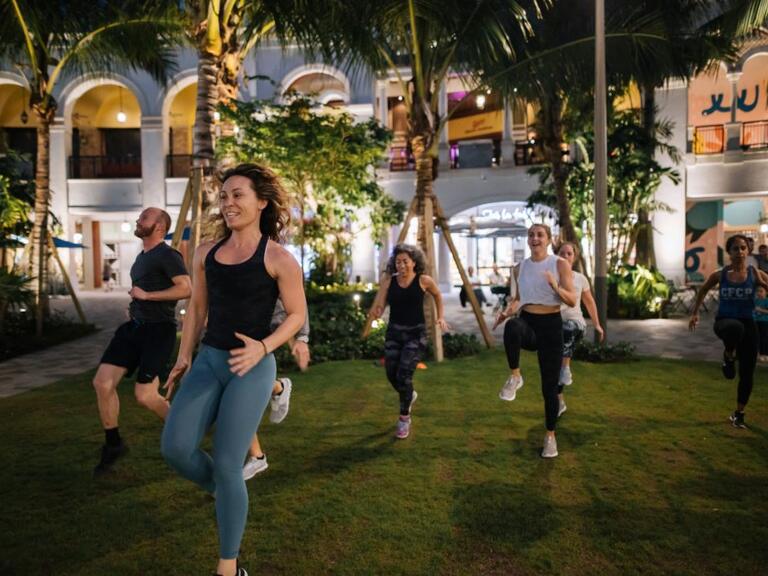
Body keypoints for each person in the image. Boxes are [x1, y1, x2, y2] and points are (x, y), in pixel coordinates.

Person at [161, 163, 306, 576]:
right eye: (224, 196)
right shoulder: (207, 253)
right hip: (209, 360)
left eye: (238, 194)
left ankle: (229, 565)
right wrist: (184, 355)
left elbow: (296, 316)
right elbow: (197, 310)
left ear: (261, 201)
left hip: (253, 365)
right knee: (175, 448)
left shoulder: (279, 258)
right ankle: (228, 492)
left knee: (228, 463)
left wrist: (263, 346)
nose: (228, 203)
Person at [92, 207, 191, 476]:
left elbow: (186, 288)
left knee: (145, 396)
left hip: (158, 331)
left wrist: (148, 296)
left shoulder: (168, 254)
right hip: (134, 328)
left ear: (159, 226)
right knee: (102, 383)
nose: (138, 220)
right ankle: (113, 444)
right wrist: (137, 304)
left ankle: (183, 436)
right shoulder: (141, 257)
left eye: (144, 217)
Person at [493, 224, 577, 458]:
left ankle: (550, 436)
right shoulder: (520, 268)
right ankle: (515, 376)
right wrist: (506, 312)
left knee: (549, 388)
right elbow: (519, 299)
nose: (534, 238)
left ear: (549, 240)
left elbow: (571, 300)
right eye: (531, 234)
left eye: (540, 235)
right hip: (528, 322)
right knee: (512, 327)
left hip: (551, 326)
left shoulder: (560, 264)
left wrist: (554, 286)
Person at [368, 244, 449, 439]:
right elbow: (379, 303)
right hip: (394, 333)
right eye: (398, 262)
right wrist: (377, 311)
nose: (401, 265)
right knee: (391, 373)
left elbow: (437, 295)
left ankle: (404, 418)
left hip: (416, 334)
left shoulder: (423, 280)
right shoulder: (389, 281)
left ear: (414, 262)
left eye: (405, 261)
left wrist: (441, 316)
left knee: (404, 375)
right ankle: (409, 394)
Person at [689, 234, 768, 429]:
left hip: (749, 325)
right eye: (735, 248)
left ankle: (739, 413)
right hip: (724, 323)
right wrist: (695, 313)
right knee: (735, 327)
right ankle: (728, 354)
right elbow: (703, 290)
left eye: (743, 248)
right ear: (729, 252)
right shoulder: (720, 274)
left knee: (748, 372)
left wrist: (763, 284)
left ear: (748, 251)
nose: (740, 252)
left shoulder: (755, 274)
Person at [242, 299, 310, 480]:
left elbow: (298, 300)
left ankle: (255, 457)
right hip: (233, 330)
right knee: (239, 394)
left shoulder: (276, 270)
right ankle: (278, 387)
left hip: (266, 329)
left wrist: (302, 338)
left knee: (242, 392)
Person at [555, 242, 604, 417]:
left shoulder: (579, 278)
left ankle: (566, 367)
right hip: (555, 327)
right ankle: (559, 401)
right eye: (562, 253)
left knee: (567, 329)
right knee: (554, 369)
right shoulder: (552, 275)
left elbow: (589, 302)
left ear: (574, 258)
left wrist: (597, 324)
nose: (565, 256)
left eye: (569, 253)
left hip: (575, 324)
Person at [754, 285, 768, 362]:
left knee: (764, 338)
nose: (759, 293)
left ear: (766, 292)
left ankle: (764, 354)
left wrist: (760, 310)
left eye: (761, 291)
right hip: (755, 321)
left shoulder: (766, 301)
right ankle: (757, 353)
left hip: (765, 321)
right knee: (756, 338)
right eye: (757, 291)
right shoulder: (755, 300)